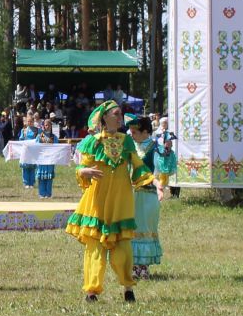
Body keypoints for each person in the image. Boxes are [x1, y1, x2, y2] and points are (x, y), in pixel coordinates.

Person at [67, 100, 144, 303]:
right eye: (116, 114)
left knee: (123, 245)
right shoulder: (93, 141)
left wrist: (144, 178)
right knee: (95, 246)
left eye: (121, 114)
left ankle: (128, 288)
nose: (120, 118)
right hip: (97, 200)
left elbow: (136, 163)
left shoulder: (126, 140)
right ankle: (91, 291)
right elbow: (81, 168)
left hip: (120, 200)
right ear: (104, 118)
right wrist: (84, 171)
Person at [128, 114, 174, 279]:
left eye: (135, 131)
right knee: (131, 228)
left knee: (146, 228)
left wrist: (167, 149)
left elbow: (165, 167)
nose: (131, 134)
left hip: (148, 193)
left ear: (146, 131)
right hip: (131, 193)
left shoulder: (155, 147)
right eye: (131, 131)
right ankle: (133, 266)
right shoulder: (130, 146)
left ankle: (144, 267)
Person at [15, 116, 40, 191]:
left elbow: (40, 139)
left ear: (33, 121)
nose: (29, 123)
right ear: (26, 122)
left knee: (32, 167)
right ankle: (26, 183)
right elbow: (21, 139)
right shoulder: (24, 130)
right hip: (26, 151)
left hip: (33, 151)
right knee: (25, 167)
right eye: (28, 121)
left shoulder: (37, 130)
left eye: (31, 121)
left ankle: (32, 183)